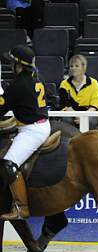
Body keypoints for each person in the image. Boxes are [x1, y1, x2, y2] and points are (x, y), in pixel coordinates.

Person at [0, 45, 51, 220]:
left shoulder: (17, 85)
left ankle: (22, 207)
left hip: (32, 130)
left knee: (8, 164)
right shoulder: (37, 78)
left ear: (19, 65)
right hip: (39, 124)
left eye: (12, 63)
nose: (11, 66)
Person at [59, 54, 98, 130]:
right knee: (66, 119)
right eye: (71, 66)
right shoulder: (64, 84)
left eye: (76, 66)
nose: (73, 68)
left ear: (84, 67)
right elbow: (65, 104)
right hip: (71, 113)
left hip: (89, 112)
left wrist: (83, 117)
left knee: (90, 121)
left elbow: (94, 105)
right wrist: (77, 115)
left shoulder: (93, 83)